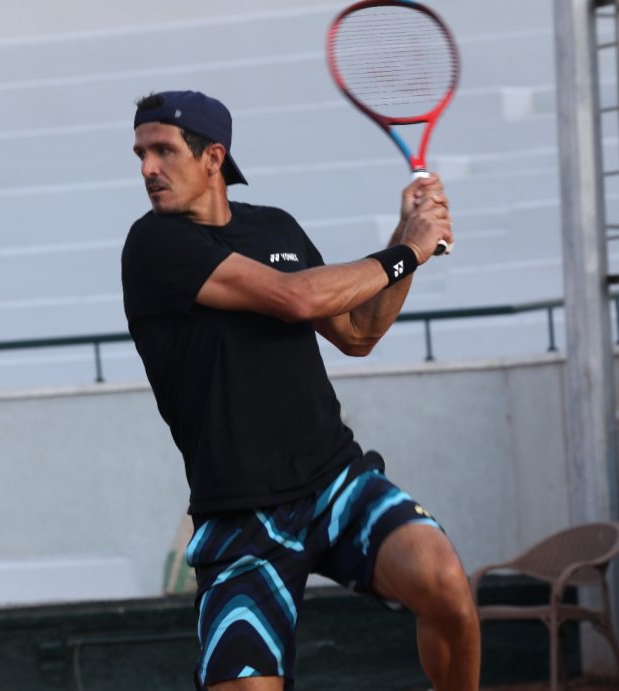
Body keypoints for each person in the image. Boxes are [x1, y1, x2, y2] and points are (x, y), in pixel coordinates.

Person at [120, 90, 479, 691]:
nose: (147, 169)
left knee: (445, 586)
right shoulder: (154, 245)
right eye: (139, 154)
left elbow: (358, 332)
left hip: (336, 483)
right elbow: (299, 299)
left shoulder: (276, 226)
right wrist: (408, 248)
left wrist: (406, 242)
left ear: (214, 157)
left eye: (163, 150)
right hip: (239, 515)